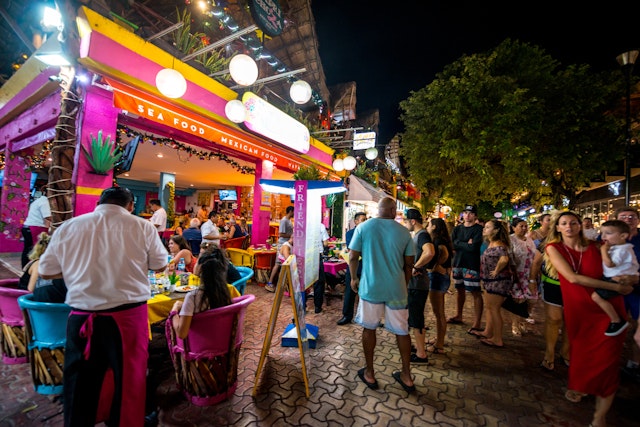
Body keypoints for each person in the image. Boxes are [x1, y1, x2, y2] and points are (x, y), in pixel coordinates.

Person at [38, 186, 168, 426]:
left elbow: (46, 270)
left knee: (79, 381)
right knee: (130, 380)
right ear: (130, 206)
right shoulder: (142, 227)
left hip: (82, 317)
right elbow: (160, 265)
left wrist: (78, 270)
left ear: (99, 202)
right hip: (128, 318)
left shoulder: (70, 226)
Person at [545, 211, 634, 426]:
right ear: (557, 227)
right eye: (563, 223)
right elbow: (573, 278)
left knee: (609, 357)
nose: (569, 227)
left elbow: (625, 264)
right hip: (581, 310)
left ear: (580, 225)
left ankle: (599, 416)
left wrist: (629, 278)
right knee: (582, 352)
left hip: (609, 310)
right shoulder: (554, 248)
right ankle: (582, 386)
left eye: (573, 223)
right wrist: (616, 287)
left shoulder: (597, 246)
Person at [349, 197, 416, 392]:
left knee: (369, 329)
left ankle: (369, 373)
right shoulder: (404, 232)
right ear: (394, 211)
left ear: (378, 210)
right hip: (397, 289)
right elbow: (409, 264)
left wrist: (354, 278)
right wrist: (403, 283)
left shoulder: (363, 227)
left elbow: (353, 256)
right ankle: (407, 376)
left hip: (371, 288)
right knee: (402, 331)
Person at [171, 247, 234, 339]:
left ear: (200, 268)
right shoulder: (226, 291)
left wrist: (174, 310)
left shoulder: (192, 297)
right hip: (222, 341)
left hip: (199, 346)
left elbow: (182, 333)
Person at [473, 219, 513, 348]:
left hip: (498, 281)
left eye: (488, 227)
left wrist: (496, 270)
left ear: (495, 230)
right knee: (490, 308)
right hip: (489, 280)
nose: (484, 229)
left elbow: (504, 258)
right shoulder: (491, 243)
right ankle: (488, 331)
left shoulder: (499, 245)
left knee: (494, 309)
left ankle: (497, 338)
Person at [403, 209, 435, 364]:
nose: (405, 223)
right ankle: (418, 347)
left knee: (416, 318)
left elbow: (429, 252)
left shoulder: (422, 235)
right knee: (415, 317)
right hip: (416, 285)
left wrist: (415, 267)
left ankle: (421, 354)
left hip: (418, 285)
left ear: (412, 221)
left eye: (406, 221)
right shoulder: (419, 235)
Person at [596, 219, 636, 336]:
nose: (603, 237)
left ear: (623, 236)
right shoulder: (619, 247)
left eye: (608, 233)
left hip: (616, 279)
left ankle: (616, 320)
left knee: (596, 297)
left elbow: (610, 264)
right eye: (602, 233)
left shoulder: (622, 250)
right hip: (616, 277)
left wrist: (603, 251)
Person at [614, 206, 640, 382]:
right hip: (616, 291)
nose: (628, 219)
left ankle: (634, 364)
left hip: (638, 291)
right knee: (615, 327)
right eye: (624, 217)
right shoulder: (608, 238)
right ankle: (610, 363)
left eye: (632, 216)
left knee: (638, 330)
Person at [448, 205, 484, 331]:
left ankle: (477, 322)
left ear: (475, 216)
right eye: (465, 212)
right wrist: (465, 244)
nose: (467, 215)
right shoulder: (457, 229)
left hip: (471, 264)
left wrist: (459, 244)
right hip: (458, 263)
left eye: (471, 213)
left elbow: (473, 247)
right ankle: (459, 315)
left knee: (475, 292)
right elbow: (452, 243)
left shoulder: (479, 229)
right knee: (460, 290)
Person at [425, 217, 453, 354]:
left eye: (429, 224)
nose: (427, 226)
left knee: (439, 312)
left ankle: (439, 345)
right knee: (438, 312)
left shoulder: (438, 241)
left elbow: (444, 253)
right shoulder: (443, 239)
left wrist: (436, 266)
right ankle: (438, 339)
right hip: (442, 277)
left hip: (438, 278)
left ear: (435, 227)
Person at [509, 217, 541, 336]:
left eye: (525, 226)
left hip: (529, 274)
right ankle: (515, 323)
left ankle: (522, 320)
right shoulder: (510, 240)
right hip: (517, 273)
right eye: (521, 226)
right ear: (513, 228)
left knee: (531, 299)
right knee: (518, 300)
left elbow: (535, 256)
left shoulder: (529, 240)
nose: (524, 228)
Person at [337, 212, 367, 325]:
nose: (365, 222)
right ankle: (347, 316)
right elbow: (352, 249)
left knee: (366, 293)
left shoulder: (369, 233)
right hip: (353, 267)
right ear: (356, 221)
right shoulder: (350, 233)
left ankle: (366, 316)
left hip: (366, 267)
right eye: (363, 220)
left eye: (366, 219)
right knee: (350, 292)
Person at [21, 232, 67, 303]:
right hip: (27, 302)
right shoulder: (39, 264)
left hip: (33, 306)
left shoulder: (42, 263)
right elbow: (30, 290)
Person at [21, 184, 51, 268]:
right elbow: (47, 217)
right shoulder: (45, 202)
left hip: (28, 227)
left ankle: (25, 268)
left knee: (27, 249)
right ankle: (32, 269)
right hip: (35, 227)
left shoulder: (38, 200)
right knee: (35, 250)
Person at [266, 206, 294, 290]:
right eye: (293, 212)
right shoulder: (284, 220)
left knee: (283, 264)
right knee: (278, 264)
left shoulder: (289, 220)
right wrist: (292, 236)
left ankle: (283, 284)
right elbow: (281, 234)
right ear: (290, 211)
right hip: (282, 245)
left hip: (287, 244)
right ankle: (270, 283)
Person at [313, 223, 330, 313]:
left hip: (303, 254)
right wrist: (326, 252)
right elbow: (325, 242)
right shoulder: (320, 226)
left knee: (302, 281)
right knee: (319, 281)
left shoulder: (302, 224)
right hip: (316, 255)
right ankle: (317, 306)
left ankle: (302, 305)